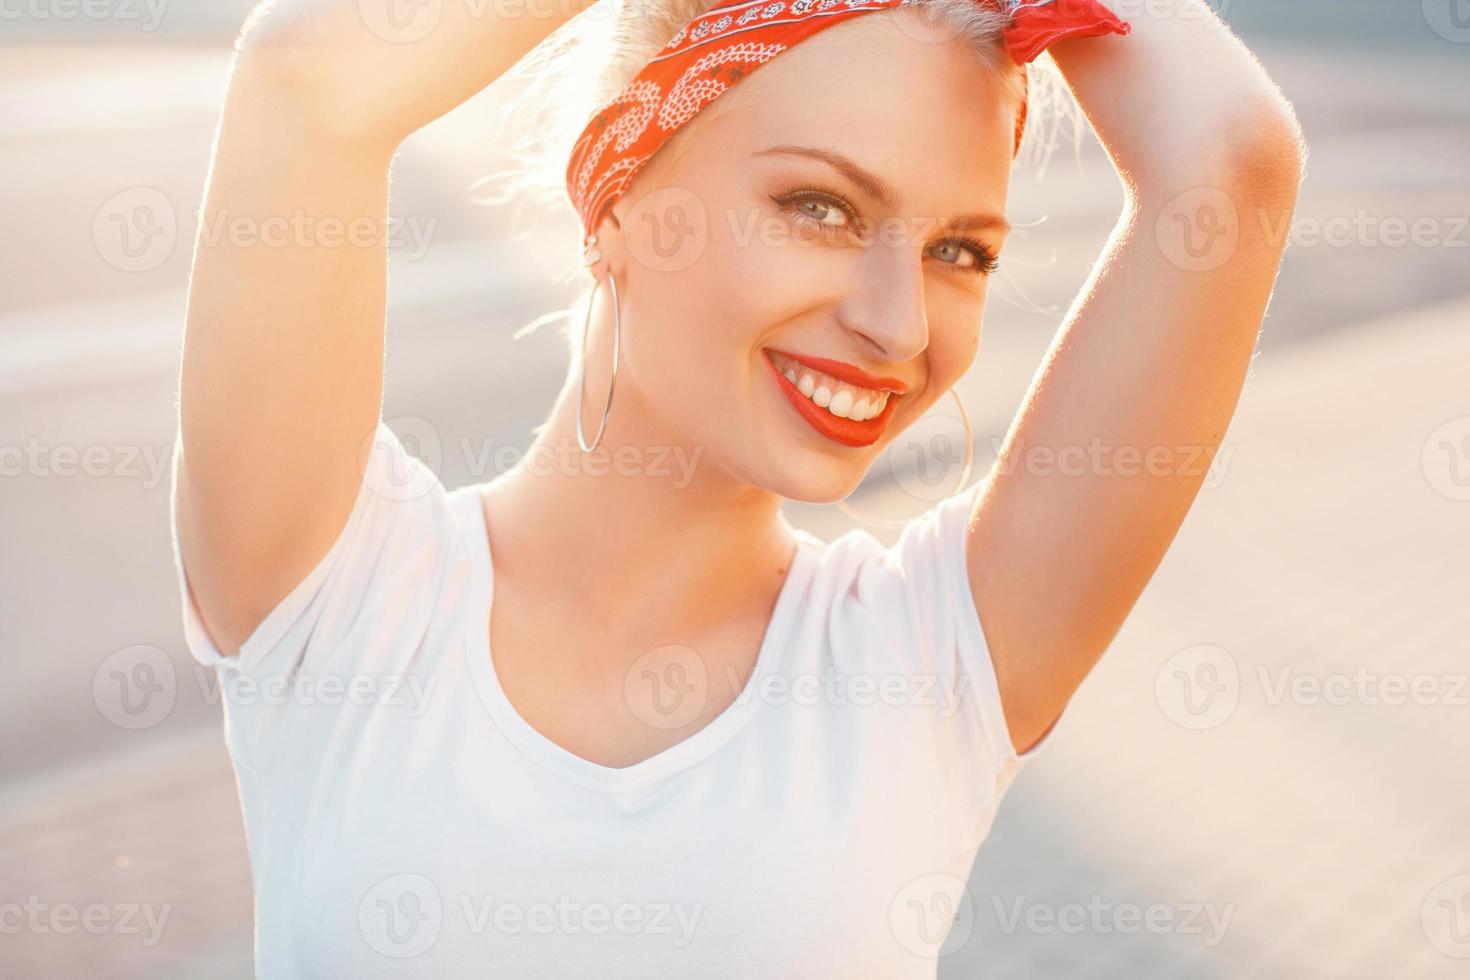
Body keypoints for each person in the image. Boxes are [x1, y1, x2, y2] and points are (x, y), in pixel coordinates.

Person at [170, 0, 1303, 974]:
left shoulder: (934, 661)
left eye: (960, 250)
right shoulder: (338, 590)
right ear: (617, 200)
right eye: (820, 206)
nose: (895, 320)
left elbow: (1231, 158)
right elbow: (308, 73)